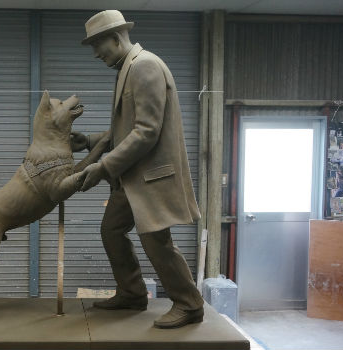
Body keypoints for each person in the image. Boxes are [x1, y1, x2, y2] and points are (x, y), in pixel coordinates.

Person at [73, 10, 205, 329]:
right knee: (112, 230)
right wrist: (90, 140)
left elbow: (146, 131)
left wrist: (104, 167)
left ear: (115, 39)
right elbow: (127, 128)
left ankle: (189, 303)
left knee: (156, 242)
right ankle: (132, 293)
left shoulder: (145, 66)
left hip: (150, 177)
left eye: (97, 45)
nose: (95, 53)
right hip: (131, 178)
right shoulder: (127, 68)